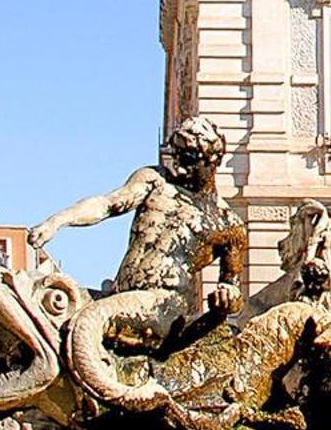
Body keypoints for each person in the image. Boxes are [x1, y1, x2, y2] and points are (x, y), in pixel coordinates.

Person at [27, 116, 248, 412]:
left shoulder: (226, 224)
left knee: (90, 322)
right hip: (118, 298)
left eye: (189, 158)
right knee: (34, 296)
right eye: (176, 154)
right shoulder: (153, 181)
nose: (179, 165)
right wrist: (59, 221)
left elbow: (232, 290)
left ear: (212, 160)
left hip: (162, 309)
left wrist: (226, 300)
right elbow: (108, 204)